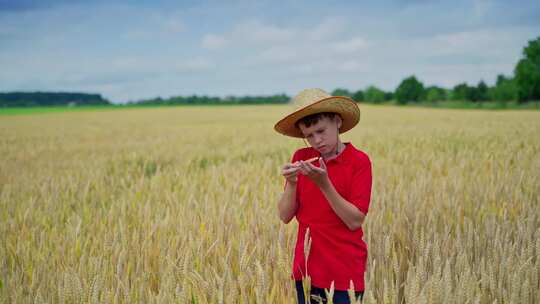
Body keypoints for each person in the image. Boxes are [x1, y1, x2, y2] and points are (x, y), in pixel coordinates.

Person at [274, 88, 372, 304]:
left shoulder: (359, 162)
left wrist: (324, 184)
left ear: (337, 121)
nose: (317, 141)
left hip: (346, 272)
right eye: (309, 136)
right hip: (306, 268)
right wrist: (291, 183)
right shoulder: (302, 157)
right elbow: (284, 215)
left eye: (321, 131)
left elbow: (355, 221)